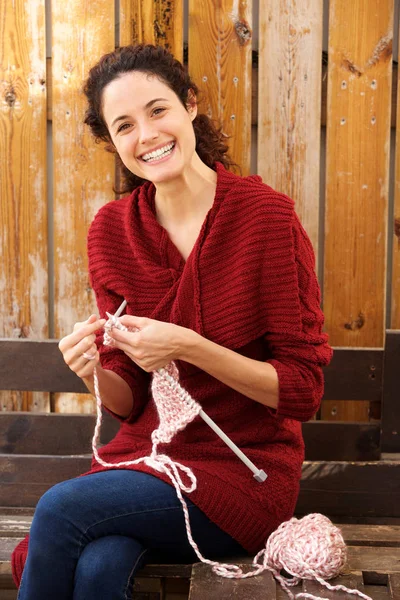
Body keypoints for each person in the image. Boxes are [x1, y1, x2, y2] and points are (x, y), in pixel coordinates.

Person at [13, 44, 333, 599]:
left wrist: (190, 346)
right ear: (112, 142)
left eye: (158, 110)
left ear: (189, 106)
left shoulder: (267, 220)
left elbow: (303, 390)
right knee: (97, 567)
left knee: (61, 508)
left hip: (245, 476)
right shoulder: (112, 231)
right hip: (145, 463)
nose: (147, 135)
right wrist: (89, 370)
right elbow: (129, 400)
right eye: (124, 125)